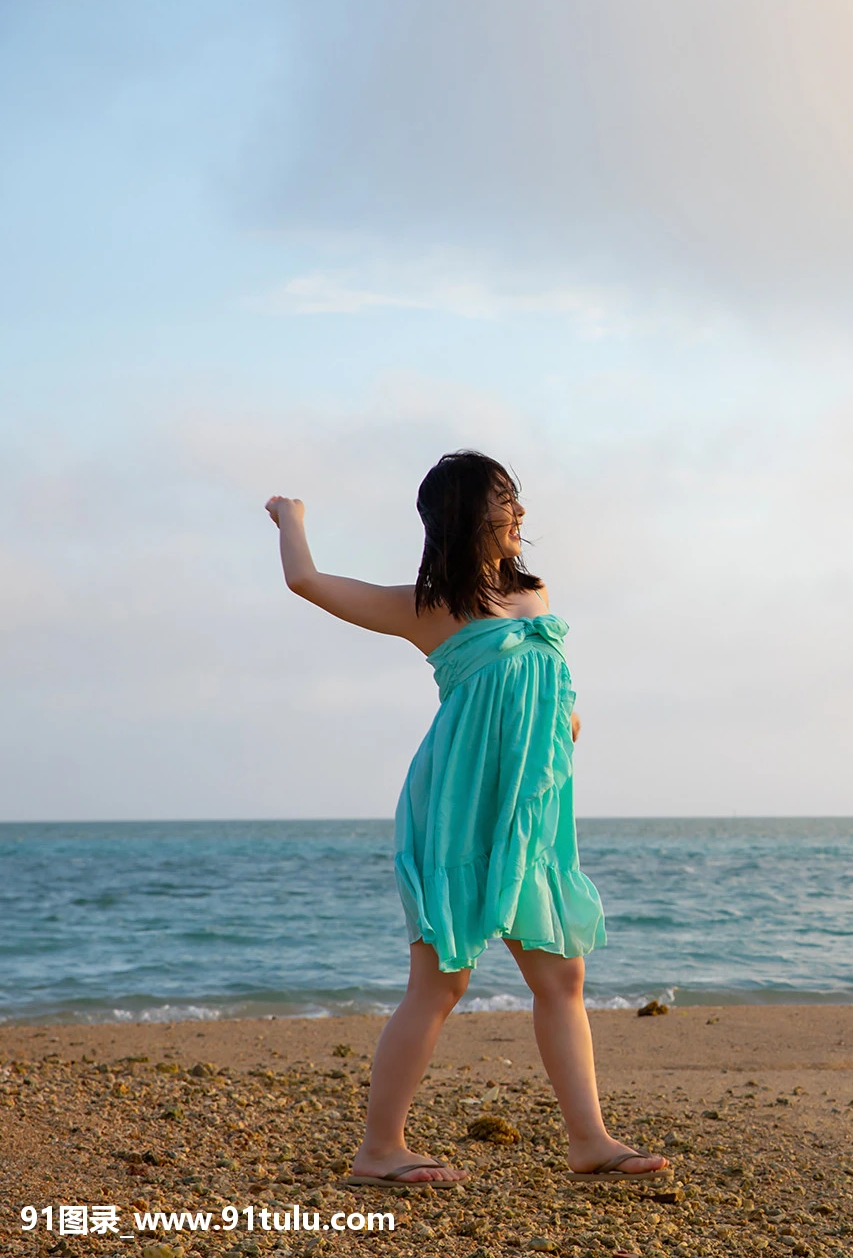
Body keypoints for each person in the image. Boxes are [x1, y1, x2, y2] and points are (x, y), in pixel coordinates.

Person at [265, 450, 669, 1187]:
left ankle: (590, 1140)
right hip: (454, 812)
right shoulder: (428, 610)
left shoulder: (535, 594)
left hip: (529, 815)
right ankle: (378, 1149)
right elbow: (307, 581)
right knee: (441, 983)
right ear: (462, 515)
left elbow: (545, 684)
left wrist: (567, 717)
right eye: (502, 500)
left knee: (563, 976)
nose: (517, 513)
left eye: (516, 498)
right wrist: (290, 520)